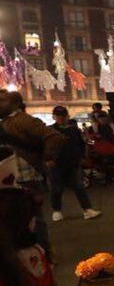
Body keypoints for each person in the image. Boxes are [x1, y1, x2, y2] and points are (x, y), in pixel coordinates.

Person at [0, 91, 63, 254]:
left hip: (25, 175)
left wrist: (48, 157)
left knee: (33, 215)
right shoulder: (7, 121)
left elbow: (54, 136)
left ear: (14, 103)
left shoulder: (22, 120)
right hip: (12, 175)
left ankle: (43, 252)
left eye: (2, 100)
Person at [48, 106, 100, 221]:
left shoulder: (74, 130)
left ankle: (87, 209)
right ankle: (57, 210)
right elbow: (44, 147)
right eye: (58, 116)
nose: (60, 118)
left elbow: (80, 144)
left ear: (67, 116)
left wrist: (81, 157)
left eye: (63, 115)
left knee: (79, 186)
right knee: (57, 188)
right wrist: (48, 159)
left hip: (72, 163)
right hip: (56, 163)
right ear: (54, 117)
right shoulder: (50, 130)